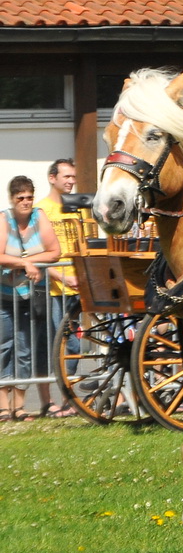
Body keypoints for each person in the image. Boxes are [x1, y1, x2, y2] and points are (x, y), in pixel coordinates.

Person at [2, 175, 63, 421]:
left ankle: (19, 405)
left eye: (29, 197)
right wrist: (26, 262)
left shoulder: (39, 217)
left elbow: (56, 252)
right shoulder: (3, 219)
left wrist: (27, 263)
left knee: (26, 350)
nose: (26, 202)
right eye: (20, 198)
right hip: (4, 296)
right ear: (12, 200)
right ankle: (3, 406)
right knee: (4, 347)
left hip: (32, 295)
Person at [33, 160, 81, 416]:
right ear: (52, 178)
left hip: (81, 286)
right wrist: (61, 277)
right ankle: (58, 400)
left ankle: (69, 400)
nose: (71, 181)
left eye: (73, 176)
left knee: (73, 345)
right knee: (61, 343)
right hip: (53, 289)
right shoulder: (41, 209)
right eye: (66, 176)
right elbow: (35, 252)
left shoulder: (78, 206)